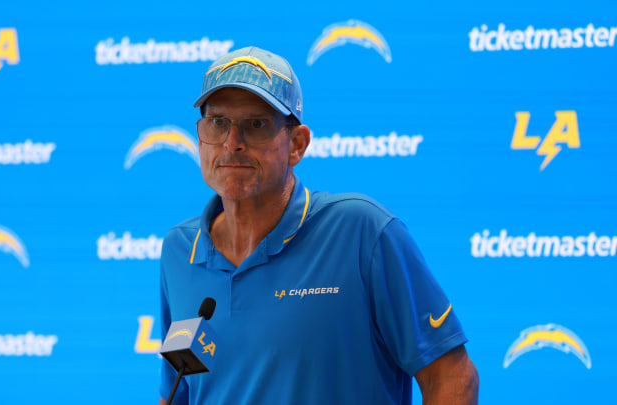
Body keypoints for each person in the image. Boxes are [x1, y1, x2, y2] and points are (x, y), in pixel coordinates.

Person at [158, 46, 479, 405]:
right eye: (218, 123)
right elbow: (178, 393)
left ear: (297, 144)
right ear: (200, 137)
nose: (233, 144)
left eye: (256, 124)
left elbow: (451, 377)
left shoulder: (362, 231)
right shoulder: (179, 249)